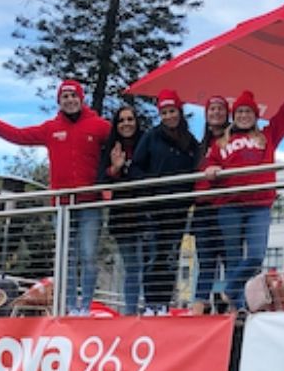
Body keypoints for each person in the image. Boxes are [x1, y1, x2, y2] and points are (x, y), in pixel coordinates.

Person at [0, 79, 110, 315]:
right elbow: (18, 135)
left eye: (74, 95)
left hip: (90, 204)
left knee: (89, 255)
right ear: (59, 101)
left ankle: (86, 306)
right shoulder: (50, 128)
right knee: (66, 260)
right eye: (65, 96)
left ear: (82, 99)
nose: (70, 100)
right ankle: (71, 307)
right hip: (61, 207)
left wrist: (111, 180)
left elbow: (123, 143)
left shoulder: (99, 126)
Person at [201, 77, 284, 313]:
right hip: (229, 206)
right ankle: (239, 310)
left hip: (259, 206)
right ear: (234, 116)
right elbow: (208, 167)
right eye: (240, 111)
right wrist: (210, 170)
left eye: (248, 112)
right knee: (233, 259)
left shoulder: (268, 136)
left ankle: (229, 290)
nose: (244, 115)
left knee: (255, 256)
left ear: (255, 115)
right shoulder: (220, 143)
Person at [132, 88, 201, 314]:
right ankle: (150, 304)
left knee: (172, 258)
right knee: (153, 256)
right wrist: (151, 187)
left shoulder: (190, 142)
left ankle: (163, 303)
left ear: (179, 112)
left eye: (172, 111)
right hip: (154, 208)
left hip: (178, 209)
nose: (169, 116)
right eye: (165, 112)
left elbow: (196, 171)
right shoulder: (151, 136)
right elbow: (136, 167)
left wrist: (189, 195)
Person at [98, 105, 149, 315]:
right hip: (123, 218)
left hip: (149, 215)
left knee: (150, 265)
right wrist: (116, 169)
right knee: (132, 267)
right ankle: (130, 313)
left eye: (130, 119)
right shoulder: (110, 148)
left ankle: (150, 308)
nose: (126, 124)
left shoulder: (147, 144)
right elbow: (101, 180)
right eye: (121, 120)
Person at [191, 95, 231, 314]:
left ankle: (231, 299)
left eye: (220, 109)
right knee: (206, 259)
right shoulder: (200, 145)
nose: (216, 113)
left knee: (228, 257)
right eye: (211, 109)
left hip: (226, 206)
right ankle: (200, 302)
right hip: (203, 208)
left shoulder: (232, 140)